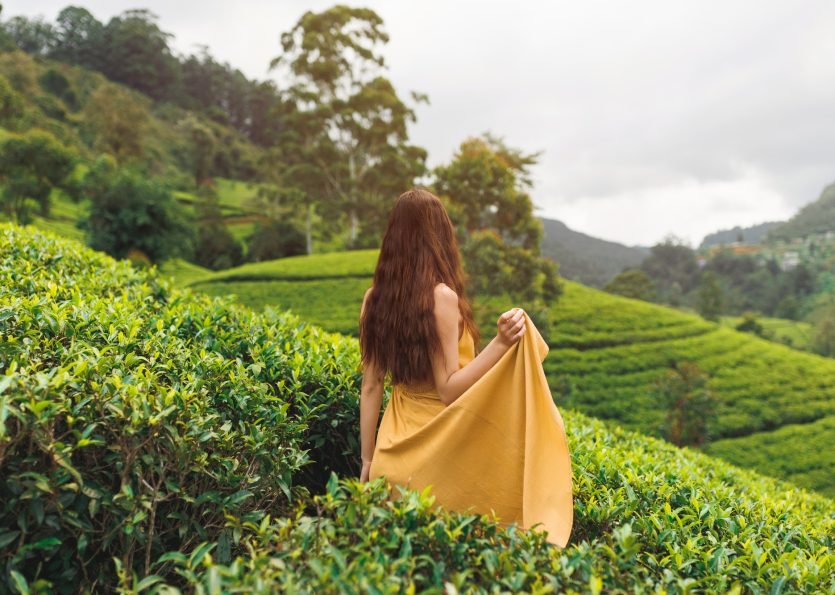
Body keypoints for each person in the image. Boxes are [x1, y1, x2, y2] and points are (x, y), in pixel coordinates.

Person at [358, 187, 573, 547]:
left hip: (391, 458)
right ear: (439, 236)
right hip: (439, 453)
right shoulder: (441, 297)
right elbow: (449, 391)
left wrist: (367, 461)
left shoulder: (373, 298)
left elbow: (370, 385)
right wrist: (501, 343)